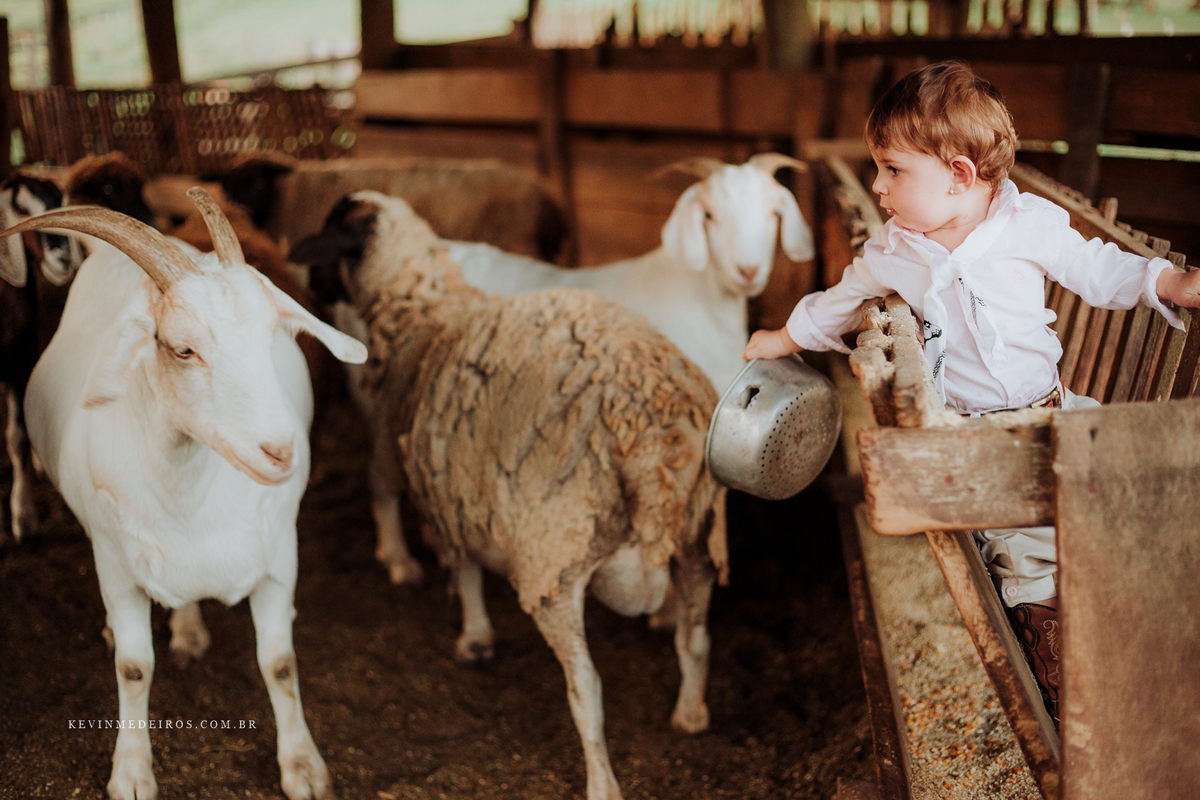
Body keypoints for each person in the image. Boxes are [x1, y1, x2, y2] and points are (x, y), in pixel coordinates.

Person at [743, 59, 1200, 720]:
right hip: (972, 438)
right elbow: (841, 299)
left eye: (893, 170)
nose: (878, 186)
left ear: (959, 176)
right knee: (1023, 553)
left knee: (1114, 510)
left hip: (1052, 414)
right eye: (878, 168)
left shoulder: (1028, 223)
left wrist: (1168, 283)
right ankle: (1064, 681)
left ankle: (1130, 650)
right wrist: (785, 337)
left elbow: (1096, 268)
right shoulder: (897, 248)